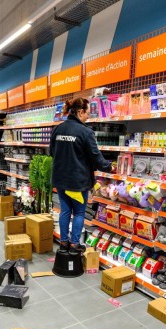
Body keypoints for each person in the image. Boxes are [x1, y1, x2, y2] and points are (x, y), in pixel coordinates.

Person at [50, 97, 112, 253]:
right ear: (80, 112)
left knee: (65, 211)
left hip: (61, 179)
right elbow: (96, 157)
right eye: (87, 112)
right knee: (78, 212)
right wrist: (109, 167)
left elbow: (52, 152)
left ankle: (63, 243)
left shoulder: (58, 129)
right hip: (78, 182)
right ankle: (74, 245)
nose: (89, 116)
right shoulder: (85, 132)